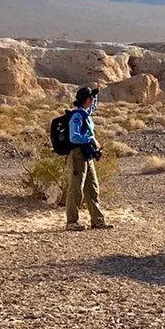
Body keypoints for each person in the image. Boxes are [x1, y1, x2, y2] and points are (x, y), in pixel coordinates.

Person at [66, 85, 113, 231]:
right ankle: (72, 222)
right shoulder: (77, 116)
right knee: (76, 188)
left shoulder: (86, 113)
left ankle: (97, 220)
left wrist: (96, 93)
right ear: (86, 100)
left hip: (87, 155)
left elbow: (93, 107)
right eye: (91, 98)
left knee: (92, 187)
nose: (93, 100)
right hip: (78, 155)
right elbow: (74, 137)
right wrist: (91, 140)